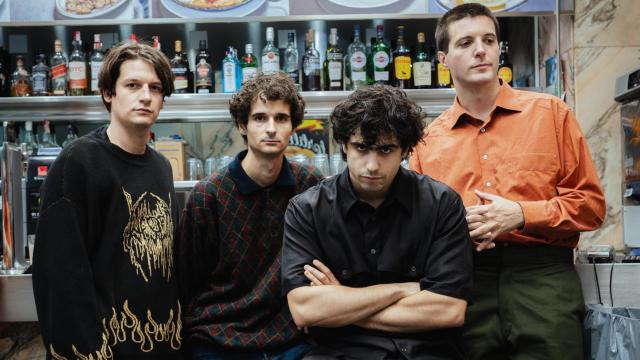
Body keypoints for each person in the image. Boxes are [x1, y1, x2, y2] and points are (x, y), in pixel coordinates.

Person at [409, 3, 606, 359]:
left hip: (543, 279)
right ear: (442, 59)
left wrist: (521, 214)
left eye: (488, 39)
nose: (481, 50)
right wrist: (456, 232)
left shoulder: (551, 114)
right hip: (464, 284)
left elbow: (591, 207)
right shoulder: (426, 142)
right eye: (465, 42)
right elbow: (414, 232)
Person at [282, 85, 474, 360]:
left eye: (385, 150)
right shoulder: (307, 210)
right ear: (344, 145)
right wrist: (403, 289)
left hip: (427, 353)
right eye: (362, 147)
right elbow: (305, 310)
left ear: (405, 150)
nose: (372, 165)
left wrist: (342, 303)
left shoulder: (442, 204)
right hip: (339, 355)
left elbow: (449, 310)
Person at [32, 42, 182, 359]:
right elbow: (61, 277)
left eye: (155, 88)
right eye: (132, 85)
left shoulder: (161, 167)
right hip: (100, 351)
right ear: (107, 93)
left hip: (156, 344)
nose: (145, 96)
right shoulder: (78, 162)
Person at [177, 72, 322, 359]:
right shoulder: (209, 195)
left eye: (281, 118)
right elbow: (185, 281)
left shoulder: (310, 184)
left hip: (291, 339)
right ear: (242, 125)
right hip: (219, 338)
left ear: (293, 125)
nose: (271, 128)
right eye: (260, 118)